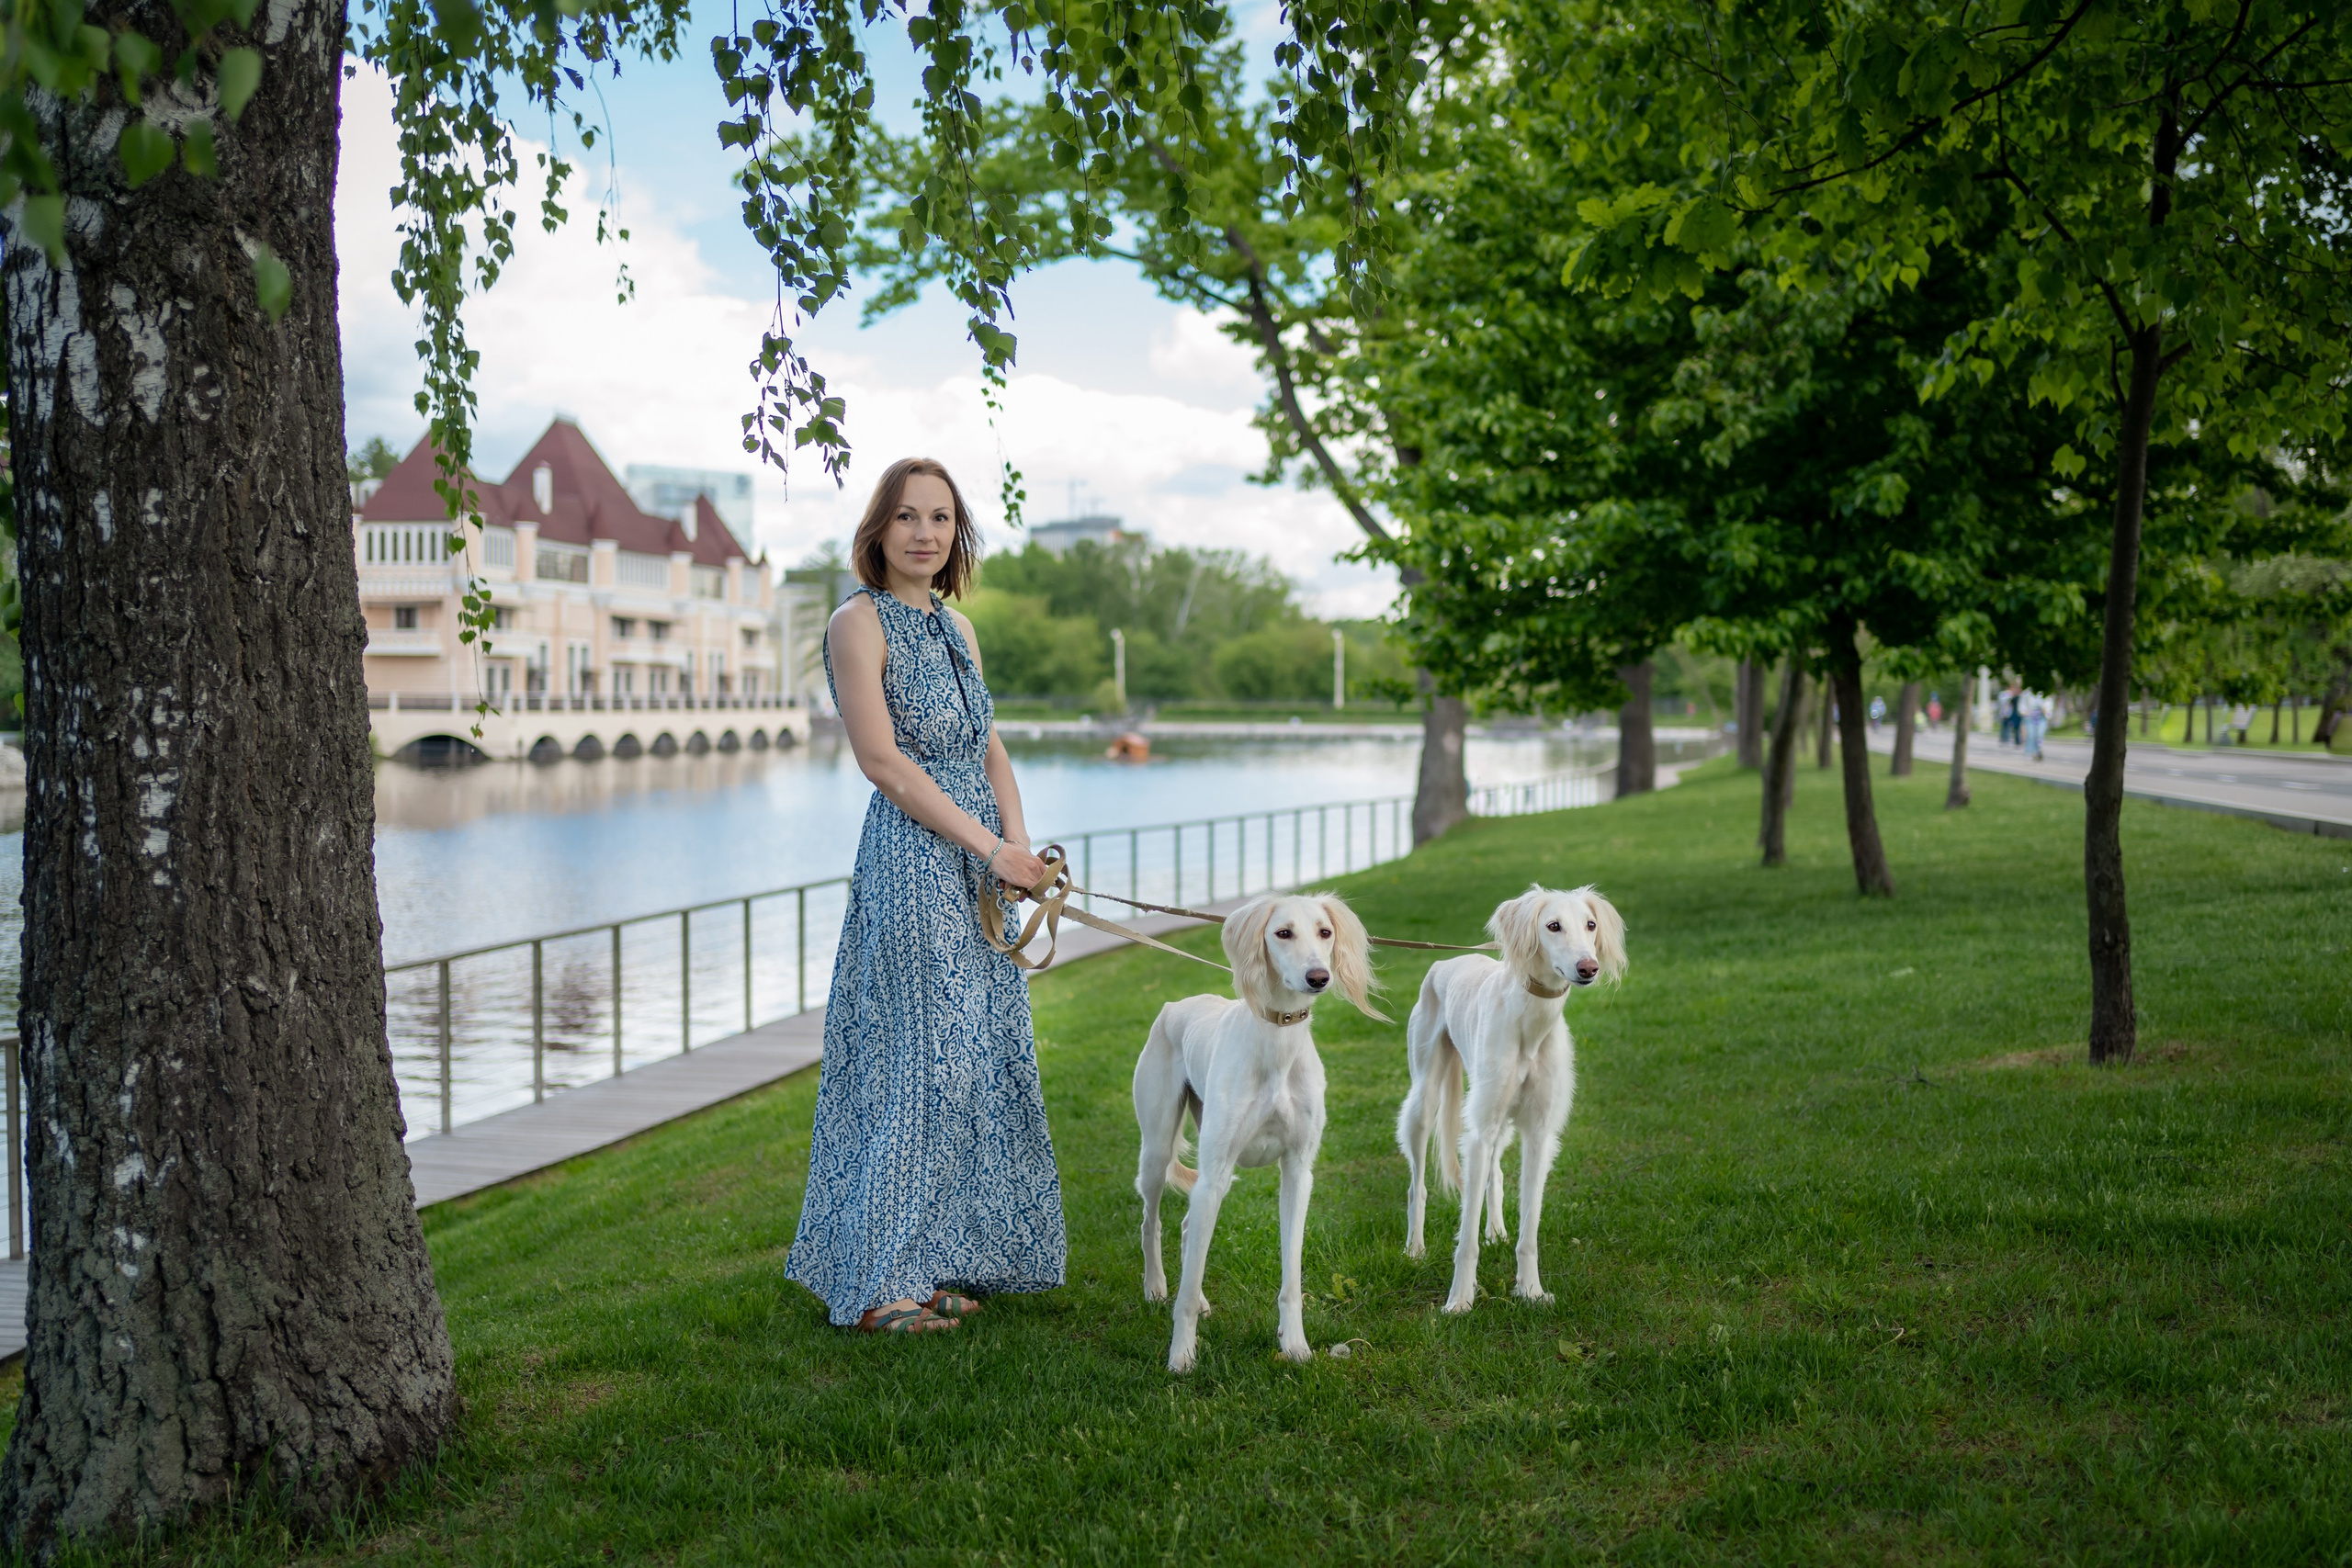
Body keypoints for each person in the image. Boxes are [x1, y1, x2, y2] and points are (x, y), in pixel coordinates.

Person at [785, 457, 1067, 1336]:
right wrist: (991, 847)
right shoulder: (854, 622)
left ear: (956, 535)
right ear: (878, 530)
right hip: (912, 860)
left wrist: (1015, 850)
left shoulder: (958, 628)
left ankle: (929, 1257)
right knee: (920, 1061)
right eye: (907, 516)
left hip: (979, 862)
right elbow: (883, 762)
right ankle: (875, 1285)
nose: (924, 533)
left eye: (940, 518)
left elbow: (989, 747)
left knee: (977, 1057)